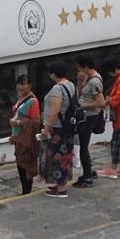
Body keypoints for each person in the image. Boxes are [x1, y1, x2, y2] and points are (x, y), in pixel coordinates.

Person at [40, 60, 80, 197]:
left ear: (52, 74)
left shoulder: (57, 89)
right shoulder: (71, 85)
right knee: (65, 155)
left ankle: (61, 188)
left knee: (56, 157)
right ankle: (60, 184)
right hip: (68, 126)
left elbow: (55, 109)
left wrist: (46, 127)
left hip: (58, 128)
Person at [75, 53, 105, 188]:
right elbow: (81, 93)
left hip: (89, 116)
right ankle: (88, 172)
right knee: (83, 145)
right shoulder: (88, 78)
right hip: (85, 115)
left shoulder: (94, 81)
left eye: (80, 67)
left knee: (83, 146)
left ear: (85, 66)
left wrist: (84, 106)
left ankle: (87, 176)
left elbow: (100, 102)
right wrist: (80, 82)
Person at [9, 75, 41, 195]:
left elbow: (36, 122)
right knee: (20, 165)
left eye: (23, 84)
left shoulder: (33, 101)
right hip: (18, 137)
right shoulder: (20, 98)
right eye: (19, 84)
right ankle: (25, 190)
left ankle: (27, 191)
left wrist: (19, 122)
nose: (20, 87)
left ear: (30, 85)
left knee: (26, 165)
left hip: (26, 139)